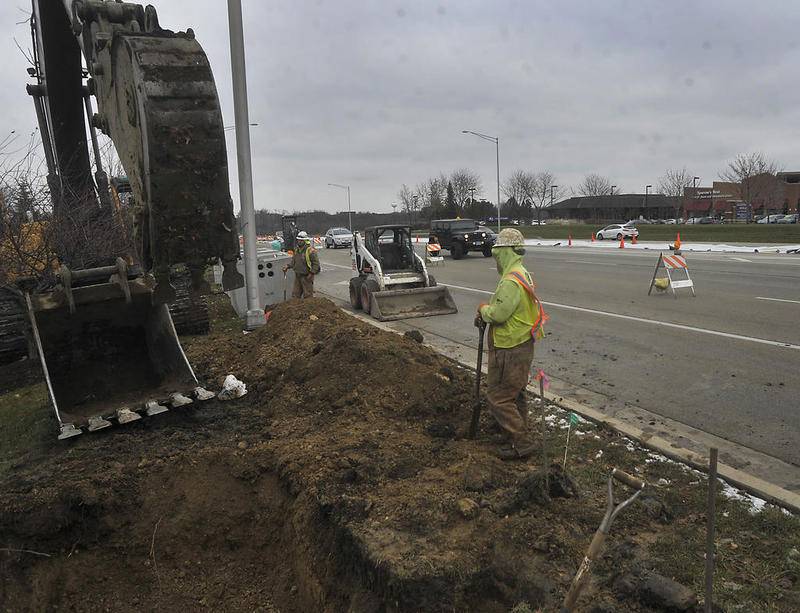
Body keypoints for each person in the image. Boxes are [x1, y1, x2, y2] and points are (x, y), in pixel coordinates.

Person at [476, 228, 547, 460]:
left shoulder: (510, 281)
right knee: (515, 394)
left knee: (499, 397)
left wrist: (484, 310)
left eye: (497, 254)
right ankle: (513, 433)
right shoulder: (521, 272)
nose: (495, 258)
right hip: (521, 342)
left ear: (504, 253)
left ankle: (522, 441)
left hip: (510, 346)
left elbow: (499, 314)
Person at [283, 231, 320, 298]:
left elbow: (316, 264)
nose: (299, 242)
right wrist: (288, 266)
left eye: (301, 240)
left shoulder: (310, 251)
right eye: (298, 240)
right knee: (295, 295)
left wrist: (311, 273)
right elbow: (294, 261)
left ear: (305, 241)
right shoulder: (297, 250)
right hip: (298, 276)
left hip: (307, 277)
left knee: (308, 296)